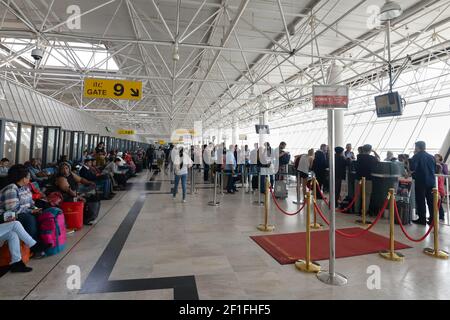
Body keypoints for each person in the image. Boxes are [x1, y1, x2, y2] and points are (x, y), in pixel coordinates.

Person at [0, 165, 49, 258]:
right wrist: (31, 212)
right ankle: (33, 249)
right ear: (23, 178)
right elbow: (13, 210)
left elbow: (30, 203)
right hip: (6, 217)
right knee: (28, 218)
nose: (30, 177)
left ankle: (39, 243)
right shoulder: (11, 188)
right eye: (29, 176)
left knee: (41, 214)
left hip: (21, 213)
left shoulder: (25, 188)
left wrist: (35, 209)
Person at [409, 141, 436, 225]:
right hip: (431, 181)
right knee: (431, 201)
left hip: (421, 181)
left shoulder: (417, 156)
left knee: (421, 200)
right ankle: (433, 219)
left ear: (417, 147)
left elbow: (412, 167)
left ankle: (422, 219)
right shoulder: (431, 157)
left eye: (415, 146)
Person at [355, 144, 380, 215]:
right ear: (370, 150)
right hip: (368, 178)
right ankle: (364, 211)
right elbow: (378, 159)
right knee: (367, 195)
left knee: (358, 195)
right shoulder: (372, 158)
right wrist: (374, 152)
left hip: (358, 178)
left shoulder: (358, 156)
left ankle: (357, 210)